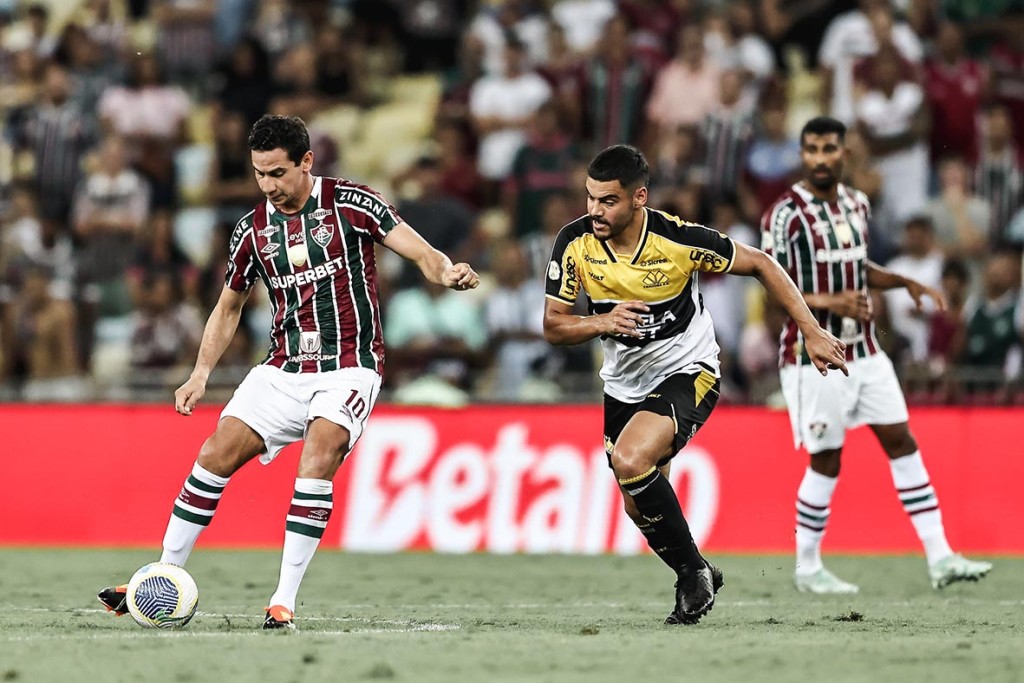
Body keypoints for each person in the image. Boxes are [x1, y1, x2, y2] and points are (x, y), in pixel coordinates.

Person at [97, 115, 480, 630]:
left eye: (277, 172)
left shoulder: (352, 203)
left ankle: (283, 601)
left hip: (349, 366)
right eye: (259, 173)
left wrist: (447, 271)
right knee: (213, 454)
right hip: (282, 368)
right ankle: (163, 575)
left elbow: (421, 252)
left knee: (318, 457)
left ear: (306, 162)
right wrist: (200, 373)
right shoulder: (252, 230)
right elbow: (229, 306)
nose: (268, 185)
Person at [543, 144, 849, 625]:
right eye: (590, 198)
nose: (595, 211)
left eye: (608, 201)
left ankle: (691, 575)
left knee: (631, 460)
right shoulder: (574, 243)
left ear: (639, 197)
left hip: (689, 371)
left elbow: (762, 263)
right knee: (637, 505)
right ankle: (699, 567)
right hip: (622, 385)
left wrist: (810, 330)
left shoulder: (678, 240)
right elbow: (554, 325)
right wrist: (602, 322)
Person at [760, 115, 993, 595]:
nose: (820, 159)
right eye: (812, 150)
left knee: (901, 440)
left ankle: (940, 557)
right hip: (813, 355)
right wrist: (832, 303)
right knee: (827, 459)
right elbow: (771, 288)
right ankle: (807, 566)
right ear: (802, 155)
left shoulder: (858, 204)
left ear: (845, 153)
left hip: (866, 350)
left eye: (829, 149)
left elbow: (855, 265)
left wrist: (901, 280)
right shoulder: (784, 215)